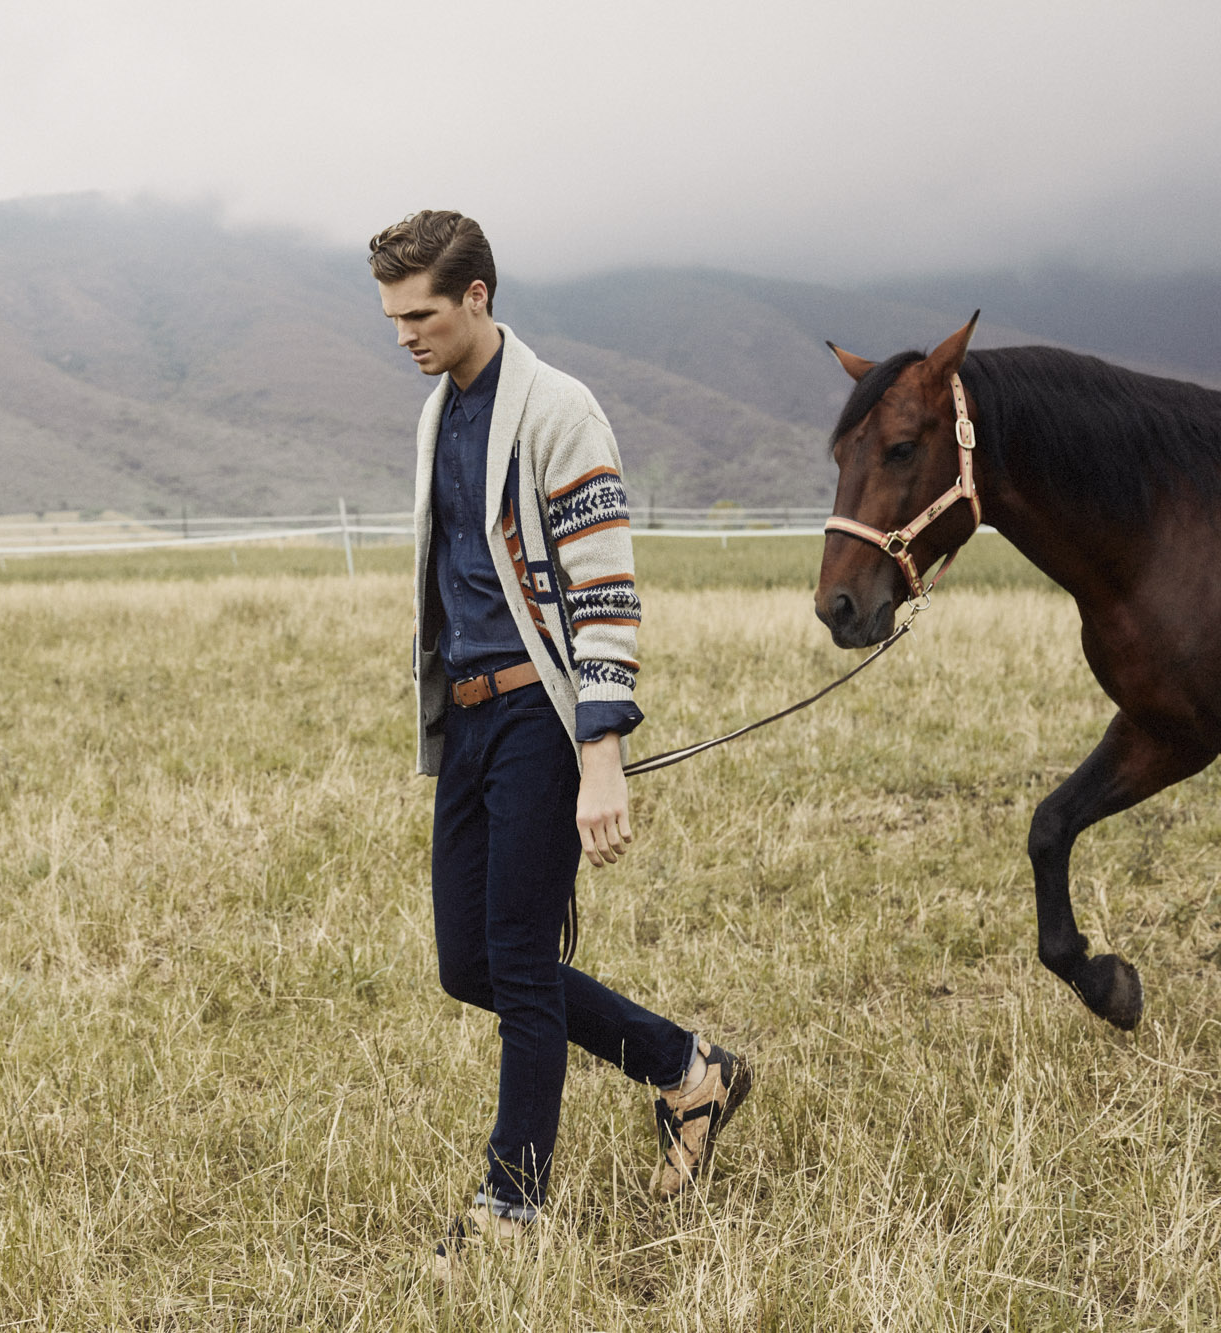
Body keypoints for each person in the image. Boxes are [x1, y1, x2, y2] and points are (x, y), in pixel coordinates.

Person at [370, 211, 751, 1278]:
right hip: (468, 719)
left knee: (522, 963)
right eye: (392, 317)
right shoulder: (438, 411)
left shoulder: (557, 410)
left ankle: (512, 1203)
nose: (404, 335)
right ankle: (688, 1067)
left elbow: (603, 592)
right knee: (470, 963)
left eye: (421, 313)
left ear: (477, 295)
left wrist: (600, 753)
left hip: (541, 716)